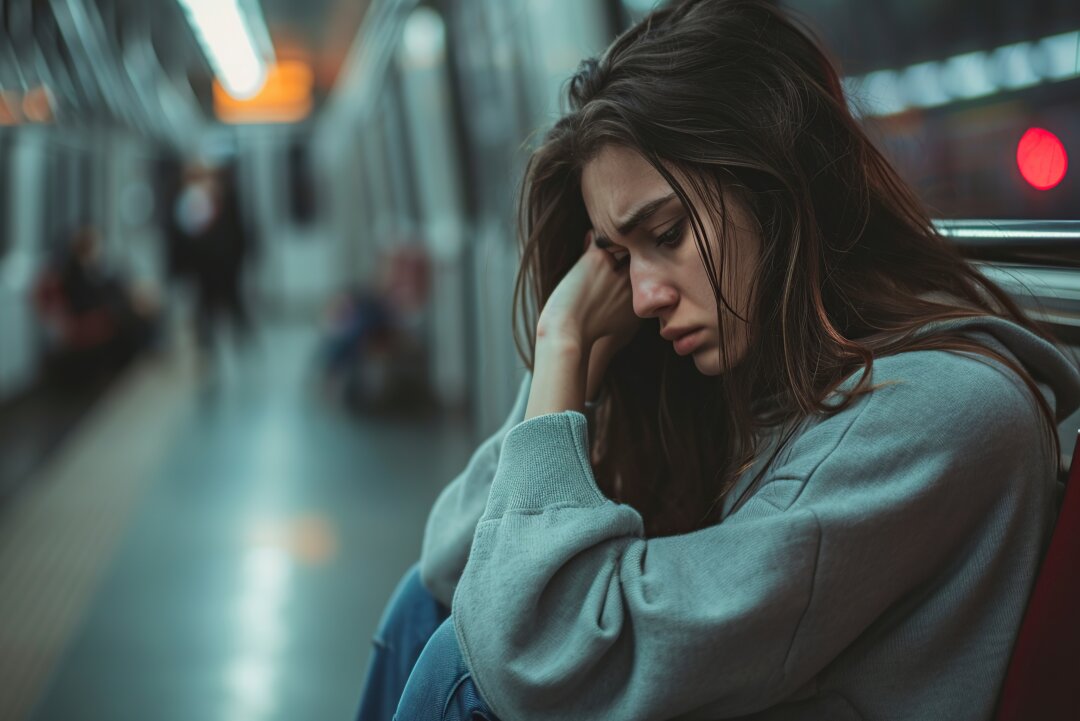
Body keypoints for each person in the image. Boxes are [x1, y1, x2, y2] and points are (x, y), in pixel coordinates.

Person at [355, 1, 1080, 719]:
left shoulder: (933, 415)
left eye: (666, 233)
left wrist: (563, 345)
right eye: (616, 257)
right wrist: (568, 363)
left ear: (774, 188)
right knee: (427, 610)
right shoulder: (766, 386)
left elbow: (530, 651)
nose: (640, 296)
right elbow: (452, 564)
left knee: (464, 666)